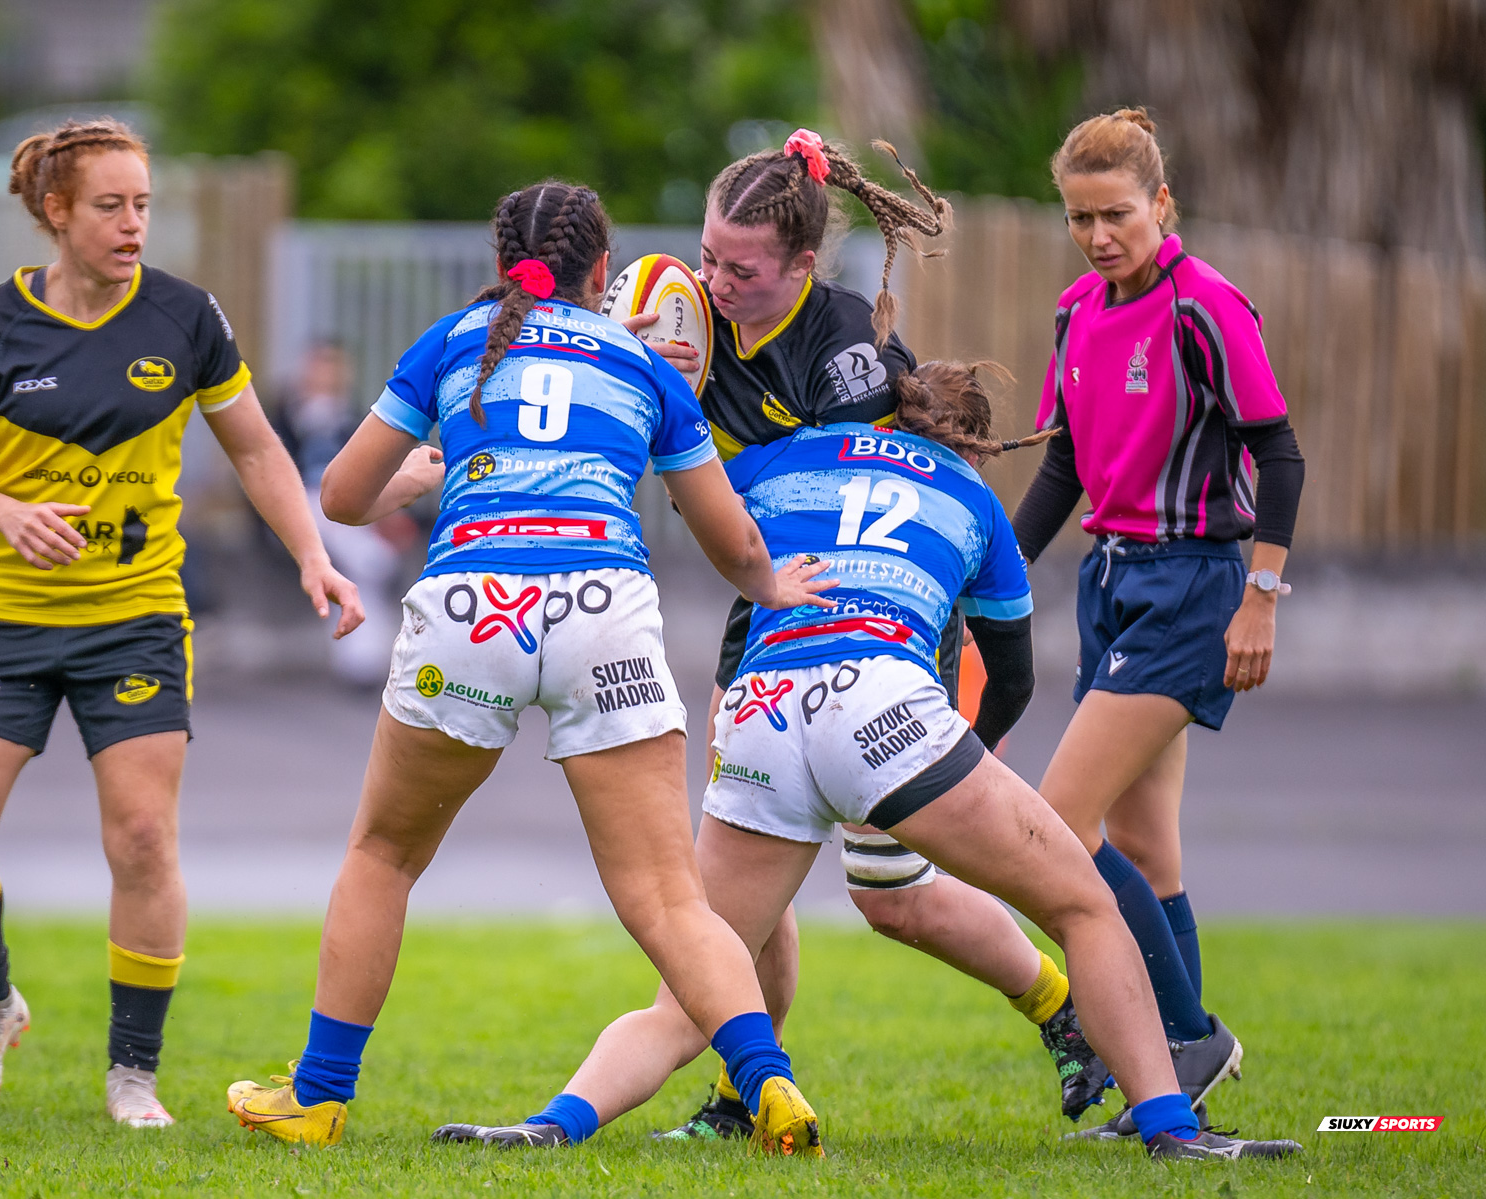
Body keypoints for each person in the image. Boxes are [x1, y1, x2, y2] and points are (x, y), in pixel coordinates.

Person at [436, 361, 1302, 1160]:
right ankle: (1171, 1129)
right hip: (882, 707)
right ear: (967, 445)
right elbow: (1013, 674)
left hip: (762, 713)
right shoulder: (971, 498)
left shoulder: (783, 459)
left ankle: (549, 1125)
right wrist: (970, 754)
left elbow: (703, 509)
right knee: (1084, 904)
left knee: (689, 994)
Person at [225, 181, 838, 1156]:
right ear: (605, 271)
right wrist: (774, 580)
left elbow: (342, 494)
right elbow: (729, 541)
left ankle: (318, 1095)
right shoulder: (647, 363)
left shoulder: (453, 341)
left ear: (499, 255)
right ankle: (771, 1085)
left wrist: (424, 473)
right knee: (672, 899)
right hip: (607, 613)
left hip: (474, 603)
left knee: (383, 854)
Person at [637, 129, 1108, 1138]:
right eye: (708, 255)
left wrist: (670, 405)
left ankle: (1065, 1006)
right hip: (771, 606)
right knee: (754, 866)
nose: (714, 280)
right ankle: (743, 1094)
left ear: (803, 265)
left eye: (742, 267)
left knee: (889, 892)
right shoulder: (691, 323)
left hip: (877, 617)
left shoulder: (841, 346)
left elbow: (813, 503)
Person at [0, 118, 360, 1128]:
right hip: (9, 615)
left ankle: (133, 1075)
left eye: (144, 204)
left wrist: (313, 552)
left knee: (146, 837)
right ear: (55, 211)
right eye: (110, 206)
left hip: (137, 615)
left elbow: (254, 449)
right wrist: (8, 513)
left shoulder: (186, 317)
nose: (133, 224)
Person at [1011, 109, 1307, 1140]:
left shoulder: (1206, 305)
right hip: (1111, 579)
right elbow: (1061, 467)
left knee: (1059, 820)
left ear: (1162, 205)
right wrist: (985, 572)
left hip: (1193, 586)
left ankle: (1184, 1031)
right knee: (1144, 842)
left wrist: (1261, 597)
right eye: (1081, 218)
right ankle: (1181, 1044)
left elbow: (1281, 454)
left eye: (1118, 215)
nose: (1100, 236)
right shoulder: (1074, 313)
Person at [268, 340, 417, 686]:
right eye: (322, 365)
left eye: (335, 366)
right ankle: (363, 653)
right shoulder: (285, 414)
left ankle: (361, 658)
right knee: (364, 562)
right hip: (298, 502)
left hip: (339, 508)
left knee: (353, 574)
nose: (328, 373)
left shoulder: (351, 416)